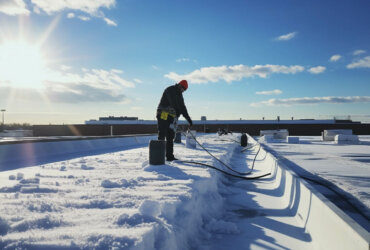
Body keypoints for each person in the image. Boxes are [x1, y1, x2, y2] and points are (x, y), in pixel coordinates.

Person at [156, 80, 193, 161]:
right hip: (163, 114)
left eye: (184, 90)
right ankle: (158, 156)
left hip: (171, 116)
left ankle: (169, 156)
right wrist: (178, 111)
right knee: (162, 133)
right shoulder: (170, 90)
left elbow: (183, 107)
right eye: (183, 89)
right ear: (180, 85)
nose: (183, 91)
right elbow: (174, 103)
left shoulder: (180, 95)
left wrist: (188, 119)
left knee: (170, 135)